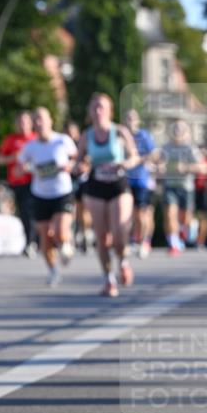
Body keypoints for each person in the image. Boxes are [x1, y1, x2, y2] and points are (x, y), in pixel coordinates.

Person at [78, 93, 138, 297]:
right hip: (96, 186)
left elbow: (134, 157)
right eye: (94, 107)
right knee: (102, 237)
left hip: (118, 185)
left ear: (109, 111)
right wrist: (81, 165)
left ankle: (123, 260)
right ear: (90, 112)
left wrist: (125, 163)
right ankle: (108, 279)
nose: (97, 111)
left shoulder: (119, 132)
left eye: (101, 107)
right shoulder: (86, 136)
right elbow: (79, 162)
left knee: (119, 232)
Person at [17, 107, 77, 287]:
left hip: (62, 192)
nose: (39, 123)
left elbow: (77, 157)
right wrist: (25, 169)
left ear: (51, 121)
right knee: (45, 238)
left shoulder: (62, 140)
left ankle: (66, 243)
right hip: (40, 194)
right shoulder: (30, 147)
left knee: (59, 231)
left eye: (42, 119)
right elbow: (18, 167)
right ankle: (53, 271)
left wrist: (69, 166)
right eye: (36, 120)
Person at [158, 120, 204, 255]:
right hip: (170, 186)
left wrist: (186, 167)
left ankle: (186, 230)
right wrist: (159, 167)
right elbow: (159, 163)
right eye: (175, 128)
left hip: (186, 187)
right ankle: (173, 243)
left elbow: (203, 167)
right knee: (170, 214)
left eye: (180, 128)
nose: (177, 131)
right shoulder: (166, 147)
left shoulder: (190, 148)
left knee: (186, 219)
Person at [0, 111, 37, 257]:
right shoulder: (11, 140)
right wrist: (13, 158)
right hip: (16, 183)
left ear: (31, 123)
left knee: (32, 211)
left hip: (34, 182)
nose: (22, 125)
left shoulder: (35, 139)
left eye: (25, 122)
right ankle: (30, 241)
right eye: (20, 122)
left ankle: (34, 241)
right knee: (23, 213)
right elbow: (0, 159)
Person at [124, 109, 156, 259]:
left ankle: (144, 241)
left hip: (142, 180)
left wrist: (140, 159)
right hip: (126, 180)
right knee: (130, 214)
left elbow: (154, 154)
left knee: (142, 213)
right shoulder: (123, 136)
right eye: (128, 118)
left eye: (133, 118)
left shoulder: (144, 136)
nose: (130, 121)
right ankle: (134, 240)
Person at [65, 120, 94, 253]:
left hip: (83, 180)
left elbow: (89, 159)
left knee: (84, 209)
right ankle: (71, 236)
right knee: (71, 210)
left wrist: (84, 166)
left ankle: (86, 234)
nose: (71, 134)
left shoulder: (82, 144)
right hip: (68, 181)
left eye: (73, 132)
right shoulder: (63, 144)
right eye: (69, 132)